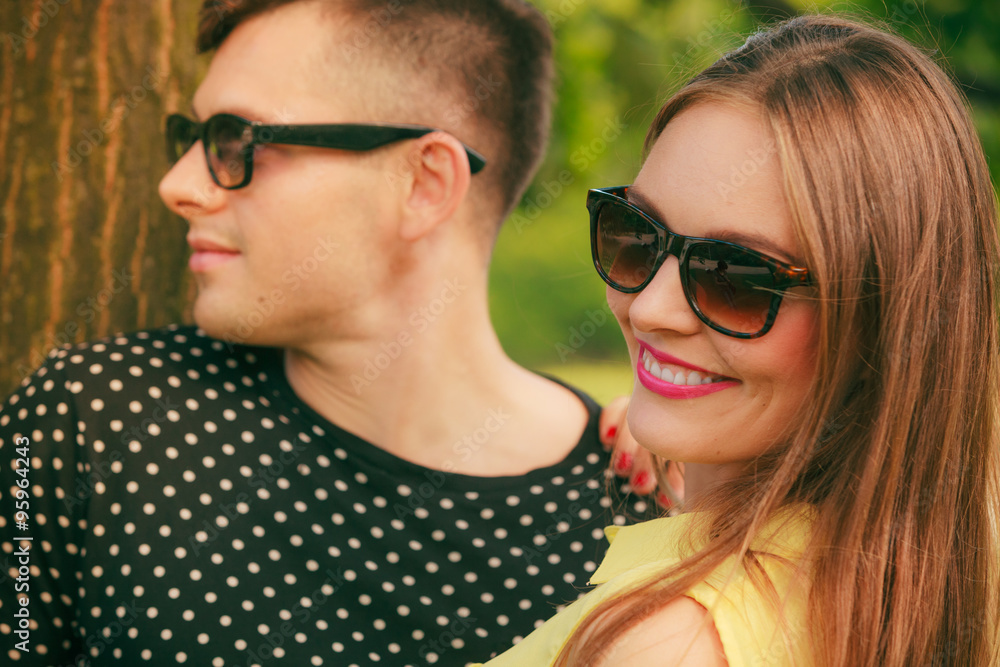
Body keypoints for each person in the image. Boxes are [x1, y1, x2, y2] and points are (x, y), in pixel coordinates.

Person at [0, 1, 658, 665]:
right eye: (191, 138)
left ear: (423, 183)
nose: (178, 185)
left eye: (236, 140)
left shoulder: (648, 507)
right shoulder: (93, 420)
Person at [475, 14, 1000, 666]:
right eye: (636, 234)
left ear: (880, 324)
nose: (651, 309)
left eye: (737, 278)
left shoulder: (673, 645)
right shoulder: (917, 580)